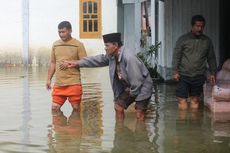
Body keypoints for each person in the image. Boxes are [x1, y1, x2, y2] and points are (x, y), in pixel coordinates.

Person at [60, 32, 153, 121]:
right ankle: (119, 132)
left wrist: (134, 99)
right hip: (130, 87)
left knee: (139, 113)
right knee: (118, 107)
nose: (105, 48)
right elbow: (97, 60)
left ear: (115, 45)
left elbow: (137, 81)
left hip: (142, 87)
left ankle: (140, 134)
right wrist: (76, 63)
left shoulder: (129, 58)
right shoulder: (112, 56)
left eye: (107, 46)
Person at [172, 15, 217, 110]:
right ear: (192, 26)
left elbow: (211, 58)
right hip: (183, 75)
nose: (199, 29)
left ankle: (194, 123)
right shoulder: (183, 39)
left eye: (202, 26)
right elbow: (176, 56)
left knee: (195, 100)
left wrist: (213, 72)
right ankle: (183, 123)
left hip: (199, 75)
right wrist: (175, 71)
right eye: (197, 26)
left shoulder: (207, 41)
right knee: (181, 100)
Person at [46, 21, 87, 111]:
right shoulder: (55, 44)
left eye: (63, 32)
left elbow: (85, 62)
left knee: (76, 110)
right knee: (54, 109)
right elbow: (53, 62)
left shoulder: (78, 45)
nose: (61, 34)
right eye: (59, 32)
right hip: (59, 84)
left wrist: (70, 63)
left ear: (70, 31)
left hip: (74, 83)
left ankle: (75, 125)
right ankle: (58, 126)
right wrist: (49, 79)